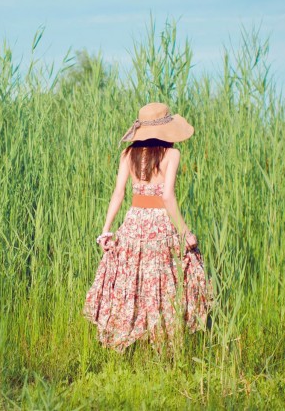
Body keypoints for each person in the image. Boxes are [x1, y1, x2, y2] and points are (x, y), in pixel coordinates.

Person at [83, 102, 213, 353]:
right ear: (166, 130)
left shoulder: (128, 154)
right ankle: (163, 339)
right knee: (164, 280)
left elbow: (118, 193)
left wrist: (106, 230)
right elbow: (167, 197)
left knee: (133, 279)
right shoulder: (171, 155)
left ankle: (130, 334)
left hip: (133, 223)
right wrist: (185, 232)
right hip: (159, 226)